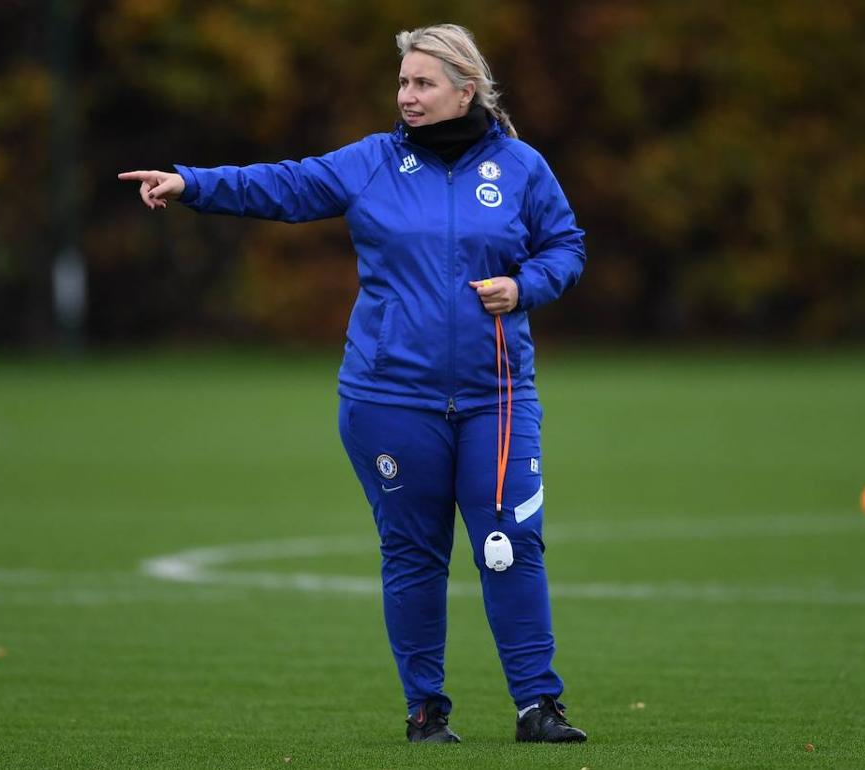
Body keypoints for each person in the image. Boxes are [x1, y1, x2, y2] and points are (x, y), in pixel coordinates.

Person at [119, 23, 587, 744]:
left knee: (509, 546)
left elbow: (566, 246)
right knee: (414, 553)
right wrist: (191, 185)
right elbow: (283, 184)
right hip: (389, 400)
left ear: (467, 90)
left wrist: (525, 286)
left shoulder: (522, 167)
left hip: (498, 397)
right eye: (402, 82)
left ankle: (538, 708)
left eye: (423, 83)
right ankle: (426, 710)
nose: (408, 96)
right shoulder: (372, 163)